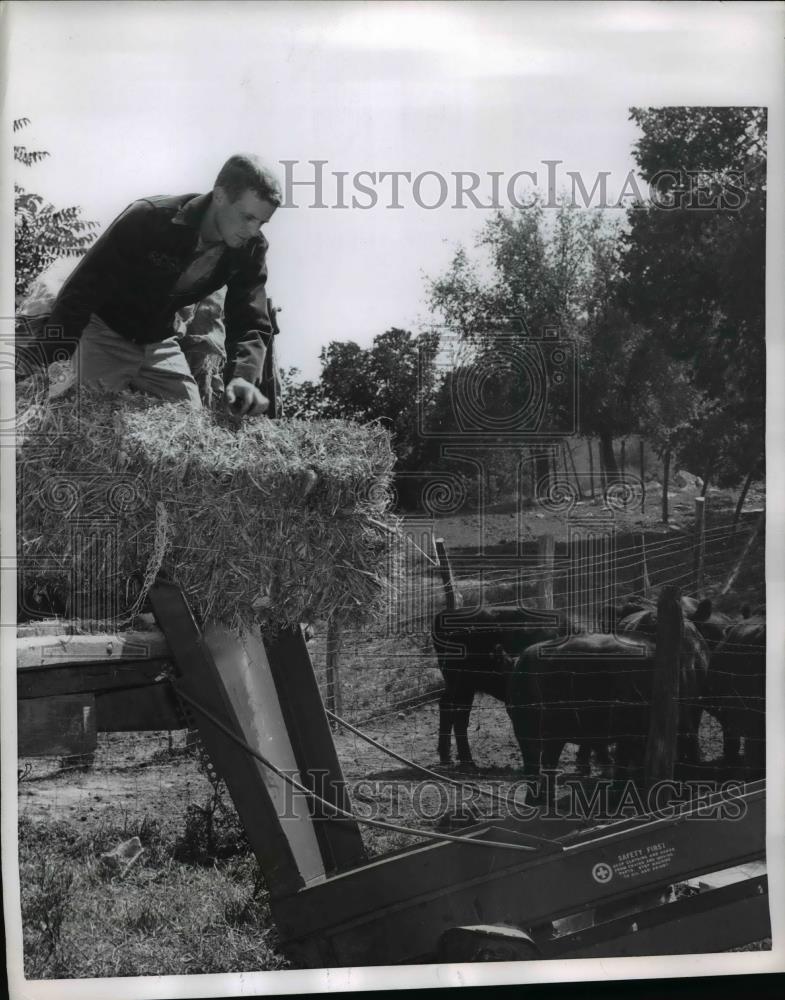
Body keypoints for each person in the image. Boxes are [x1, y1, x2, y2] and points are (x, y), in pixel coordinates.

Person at [32, 153, 281, 416]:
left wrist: (243, 376)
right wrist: (51, 359)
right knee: (78, 417)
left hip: (159, 342)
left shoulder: (251, 248)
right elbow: (81, 290)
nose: (254, 230)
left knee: (190, 425)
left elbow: (250, 319)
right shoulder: (149, 217)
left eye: (262, 222)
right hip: (104, 330)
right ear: (219, 196)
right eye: (248, 217)